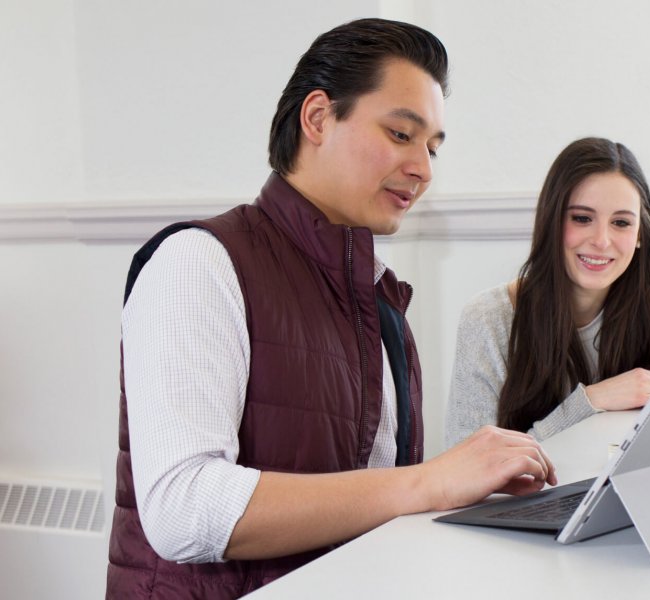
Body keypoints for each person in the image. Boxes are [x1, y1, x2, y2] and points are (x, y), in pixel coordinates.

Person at [107, 18, 556, 599]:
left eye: (433, 148)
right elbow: (182, 509)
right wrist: (428, 483)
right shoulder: (198, 262)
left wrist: (471, 489)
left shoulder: (379, 296)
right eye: (401, 134)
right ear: (318, 118)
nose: (423, 167)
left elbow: (374, 498)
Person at [445, 137, 650, 447]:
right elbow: (466, 464)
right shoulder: (489, 319)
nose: (601, 240)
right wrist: (593, 400)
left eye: (621, 222)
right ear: (552, 222)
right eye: (582, 218)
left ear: (640, 234)